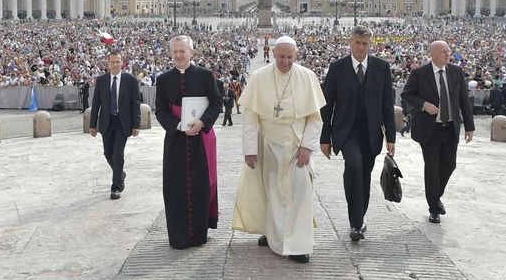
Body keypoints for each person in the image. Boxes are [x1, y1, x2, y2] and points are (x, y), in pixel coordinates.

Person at [234, 36, 326, 264]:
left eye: (290, 57)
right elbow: (250, 117)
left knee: (300, 192)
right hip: (267, 143)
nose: (285, 62)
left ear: (296, 56)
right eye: (282, 57)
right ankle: (272, 232)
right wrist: (249, 149)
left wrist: (307, 146)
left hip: (296, 144)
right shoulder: (259, 77)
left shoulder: (307, 76)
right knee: (271, 192)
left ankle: (299, 245)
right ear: (273, 54)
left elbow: (315, 119)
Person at [320, 26, 396, 242]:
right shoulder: (337, 68)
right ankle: (355, 222)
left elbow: (386, 105)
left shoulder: (382, 68)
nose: (360, 47)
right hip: (346, 130)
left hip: (371, 132)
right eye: (357, 43)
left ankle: (359, 218)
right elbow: (327, 106)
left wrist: (391, 136)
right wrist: (325, 138)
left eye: (364, 43)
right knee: (353, 166)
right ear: (350, 43)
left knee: (364, 175)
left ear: (370, 44)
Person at [154, 35, 223, 249]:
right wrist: (177, 125)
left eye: (182, 51)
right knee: (174, 187)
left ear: (191, 53)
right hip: (175, 140)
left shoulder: (205, 75)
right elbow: (161, 110)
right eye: (175, 52)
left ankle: (198, 235)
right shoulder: (164, 79)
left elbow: (216, 103)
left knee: (200, 186)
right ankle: (178, 236)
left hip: (199, 139)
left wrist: (202, 123)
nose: (178, 56)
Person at [400, 40, 475, 223]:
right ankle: (434, 207)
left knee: (450, 165)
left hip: (450, 127)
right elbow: (407, 95)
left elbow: (464, 100)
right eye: (443, 52)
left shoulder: (456, 71)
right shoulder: (419, 73)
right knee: (432, 168)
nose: (448, 54)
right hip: (429, 129)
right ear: (432, 54)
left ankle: (436, 195)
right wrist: (424, 105)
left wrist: (470, 126)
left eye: (448, 51)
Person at [89, 51, 141, 200]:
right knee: (108, 154)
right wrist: (92, 124)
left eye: (118, 62)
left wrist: (136, 124)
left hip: (123, 123)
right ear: (108, 63)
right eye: (112, 62)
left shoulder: (130, 80)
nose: (115, 64)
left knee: (118, 154)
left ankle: (115, 187)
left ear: (122, 63)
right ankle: (120, 174)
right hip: (106, 122)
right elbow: (96, 103)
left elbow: (135, 103)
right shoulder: (102, 80)